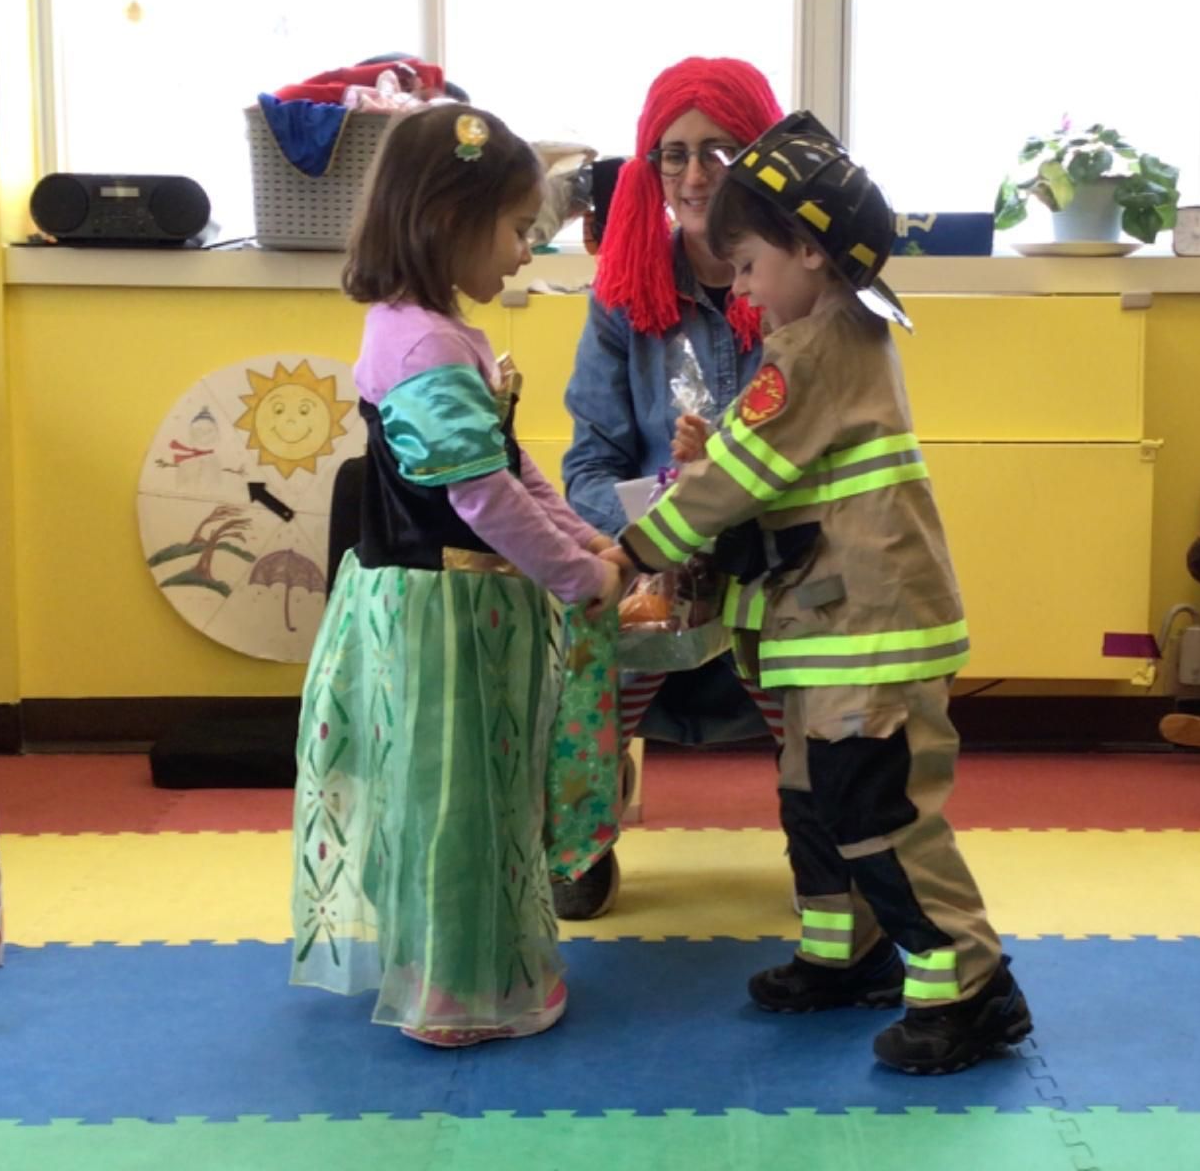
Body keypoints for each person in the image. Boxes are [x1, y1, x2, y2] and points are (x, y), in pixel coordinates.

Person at [605, 112, 1034, 1075]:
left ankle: (970, 987)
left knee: (877, 805)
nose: (744, 288)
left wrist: (634, 551)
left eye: (751, 264)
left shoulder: (816, 346)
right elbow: (770, 469)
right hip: (825, 629)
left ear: (807, 248)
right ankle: (848, 952)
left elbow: (735, 483)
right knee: (813, 794)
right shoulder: (828, 339)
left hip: (865, 632)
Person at [288, 103, 622, 1049]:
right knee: (458, 798)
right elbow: (482, 499)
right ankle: (456, 989)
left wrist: (581, 541)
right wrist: (576, 576)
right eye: (518, 230)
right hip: (446, 613)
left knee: (460, 788)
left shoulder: (431, 330)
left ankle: (436, 962)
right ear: (446, 220)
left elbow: (512, 468)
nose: (524, 255)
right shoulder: (430, 345)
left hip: (450, 603)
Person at [557, 57, 787, 920]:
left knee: (808, 656)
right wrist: (646, 533)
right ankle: (582, 825)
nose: (695, 176)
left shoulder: (802, 279)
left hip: (775, 549)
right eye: (674, 154)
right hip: (657, 552)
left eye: (721, 151)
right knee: (596, 634)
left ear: (761, 157)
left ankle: (826, 831)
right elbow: (589, 461)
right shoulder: (624, 293)